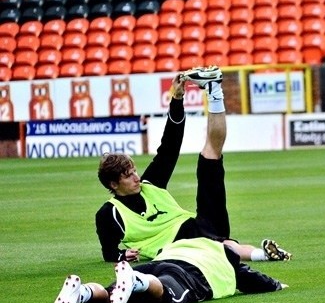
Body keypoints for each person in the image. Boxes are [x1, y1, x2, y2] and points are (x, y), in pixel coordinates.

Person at [95, 66, 292, 263]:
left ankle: (214, 91)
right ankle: (262, 255)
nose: (137, 177)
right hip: (176, 247)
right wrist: (121, 255)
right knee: (219, 244)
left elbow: (170, 145)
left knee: (210, 157)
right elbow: (108, 252)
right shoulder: (109, 213)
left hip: (195, 226)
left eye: (134, 171)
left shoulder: (150, 184)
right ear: (113, 184)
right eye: (128, 175)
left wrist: (177, 99)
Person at [53, 237, 285, 303]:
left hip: (155, 263)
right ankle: (137, 282)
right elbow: (252, 278)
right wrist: (277, 285)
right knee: (163, 295)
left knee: (110, 299)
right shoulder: (223, 252)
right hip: (188, 274)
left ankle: (82, 293)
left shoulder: (178, 243)